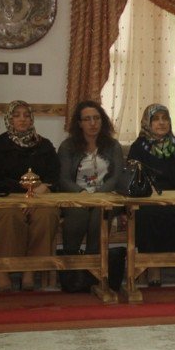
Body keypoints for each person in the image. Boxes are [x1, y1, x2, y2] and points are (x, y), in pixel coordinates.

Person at [0, 101, 60, 292]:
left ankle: (30, 270)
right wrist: (22, 197)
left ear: (32, 118)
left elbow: (54, 173)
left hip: (39, 198)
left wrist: (44, 187)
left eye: (26, 115)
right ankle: (2, 271)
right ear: (9, 119)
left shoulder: (43, 145)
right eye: (16, 115)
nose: (22, 119)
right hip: (6, 197)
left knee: (47, 216)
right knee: (10, 216)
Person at [128, 104, 175, 287]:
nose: (161, 122)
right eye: (156, 119)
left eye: (165, 118)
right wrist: (153, 194)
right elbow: (133, 175)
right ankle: (153, 266)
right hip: (149, 197)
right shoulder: (138, 147)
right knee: (150, 214)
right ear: (147, 123)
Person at [57, 101, 123, 258]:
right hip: (77, 196)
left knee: (99, 215)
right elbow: (63, 179)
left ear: (102, 121)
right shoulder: (67, 146)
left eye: (96, 118)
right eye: (87, 119)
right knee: (77, 214)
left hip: (108, 196)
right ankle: (71, 260)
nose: (93, 123)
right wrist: (82, 194)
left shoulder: (113, 146)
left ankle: (94, 264)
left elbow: (117, 177)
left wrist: (99, 195)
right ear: (79, 123)